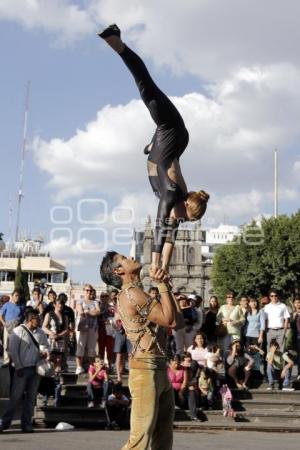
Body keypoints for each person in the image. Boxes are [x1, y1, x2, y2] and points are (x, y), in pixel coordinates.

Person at [98, 24, 209, 276]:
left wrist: (165, 269)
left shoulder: (175, 209)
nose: (182, 221)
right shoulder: (170, 193)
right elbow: (161, 228)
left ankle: (118, 44)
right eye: (187, 218)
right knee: (147, 88)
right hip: (173, 128)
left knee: (148, 96)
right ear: (186, 206)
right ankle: (118, 43)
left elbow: (170, 239)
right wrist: (155, 263)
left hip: (167, 139)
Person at [100, 251, 184, 450]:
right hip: (145, 371)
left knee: (163, 437)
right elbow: (169, 320)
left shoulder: (137, 292)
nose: (131, 257)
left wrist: (166, 286)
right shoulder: (130, 292)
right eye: (123, 258)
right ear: (118, 270)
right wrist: (162, 285)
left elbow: (178, 322)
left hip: (158, 367)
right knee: (140, 440)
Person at [0, 308, 49, 433]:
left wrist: (45, 353)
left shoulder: (41, 333)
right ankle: (4, 423)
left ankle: (26, 424)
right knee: (16, 397)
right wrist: (18, 366)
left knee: (31, 398)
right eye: (36, 319)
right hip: (22, 369)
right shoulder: (18, 331)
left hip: (36, 369)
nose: (38, 321)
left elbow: (45, 346)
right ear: (30, 320)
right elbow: (13, 351)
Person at [75, 284, 100, 374]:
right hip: (83, 327)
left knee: (91, 348)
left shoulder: (95, 302)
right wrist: (90, 312)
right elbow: (80, 311)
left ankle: (91, 367)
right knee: (80, 346)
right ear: (83, 291)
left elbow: (97, 312)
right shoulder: (80, 301)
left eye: (90, 290)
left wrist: (87, 311)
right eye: (87, 290)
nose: (89, 292)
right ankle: (79, 366)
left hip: (92, 327)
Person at [167, 353, 199, 421]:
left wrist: (181, 392)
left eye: (178, 363)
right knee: (170, 390)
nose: (177, 365)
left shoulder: (183, 369)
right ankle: (169, 417)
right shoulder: (167, 370)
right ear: (170, 361)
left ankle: (193, 415)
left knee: (191, 392)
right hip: (171, 392)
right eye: (175, 363)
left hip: (182, 391)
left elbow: (185, 382)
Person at [0, 289, 24, 366]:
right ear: (12, 296)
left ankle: (15, 360)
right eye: (16, 295)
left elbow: (23, 317)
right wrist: (4, 323)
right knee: (6, 344)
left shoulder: (21, 306)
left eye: (19, 296)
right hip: (7, 327)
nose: (18, 297)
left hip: (17, 328)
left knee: (16, 345)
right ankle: (6, 360)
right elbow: (0, 315)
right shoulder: (6, 305)